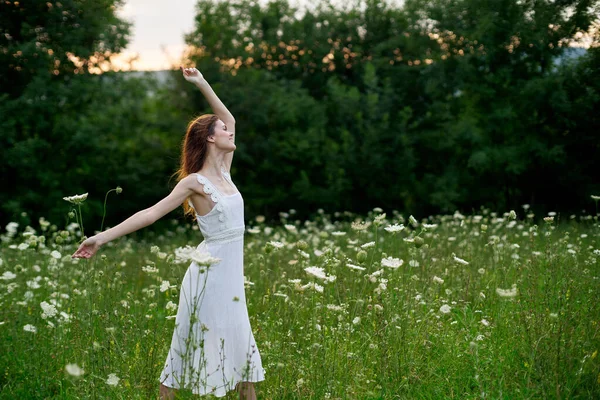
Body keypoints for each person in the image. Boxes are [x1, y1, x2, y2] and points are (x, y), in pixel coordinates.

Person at [72, 66, 265, 399]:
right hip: (208, 275)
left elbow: (229, 118)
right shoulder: (194, 183)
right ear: (209, 137)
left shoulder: (226, 174)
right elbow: (151, 213)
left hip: (231, 277)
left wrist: (202, 82)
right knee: (187, 348)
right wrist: (101, 237)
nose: (230, 132)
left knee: (240, 346)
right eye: (222, 130)